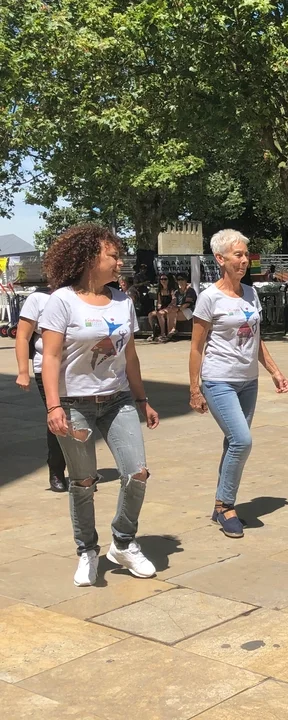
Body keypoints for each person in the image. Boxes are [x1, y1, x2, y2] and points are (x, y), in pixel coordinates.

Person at [39, 224, 160, 587]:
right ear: (91, 258)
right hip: (73, 403)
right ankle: (87, 550)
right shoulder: (62, 300)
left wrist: (142, 400)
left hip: (118, 399)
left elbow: (130, 357)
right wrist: (53, 407)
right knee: (83, 481)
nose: (119, 262)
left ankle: (122, 542)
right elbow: (51, 357)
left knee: (137, 473)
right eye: (113, 256)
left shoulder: (123, 301)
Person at [189, 229, 288, 538]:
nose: (245, 260)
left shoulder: (250, 293)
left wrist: (274, 371)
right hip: (219, 380)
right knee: (242, 441)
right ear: (220, 259)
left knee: (233, 442)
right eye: (238, 255)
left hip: (249, 381)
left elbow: (256, 338)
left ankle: (221, 503)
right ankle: (225, 506)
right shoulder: (209, 297)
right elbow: (196, 347)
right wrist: (194, 389)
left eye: (246, 254)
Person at [15, 284, 68, 492]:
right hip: (45, 368)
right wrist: (23, 371)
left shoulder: (81, 297)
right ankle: (56, 469)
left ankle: (81, 470)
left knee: (80, 416)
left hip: (77, 368)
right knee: (58, 417)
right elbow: (23, 336)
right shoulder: (38, 299)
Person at [162, 275, 197, 341]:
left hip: (190, 310)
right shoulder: (176, 292)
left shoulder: (190, 290)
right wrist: (170, 307)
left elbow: (187, 304)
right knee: (169, 313)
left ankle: (171, 332)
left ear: (186, 280)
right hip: (178, 310)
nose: (180, 281)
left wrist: (177, 309)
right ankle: (169, 332)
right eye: (178, 280)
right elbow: (173, 302)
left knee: (172, 313)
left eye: (182, 279)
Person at [147, 274, 173, 340]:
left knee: (160, 313)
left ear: (168, 280)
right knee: (150, 314)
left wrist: (167, 308)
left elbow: (173, 301)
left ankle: (163, 333)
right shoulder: (159, 291)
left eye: (165, 279)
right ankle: (154, 331)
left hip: (170, 308)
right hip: (162, 308)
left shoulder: (171, 290)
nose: (163, 281)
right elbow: (159, 302)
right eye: (162, 279)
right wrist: (158, 306)